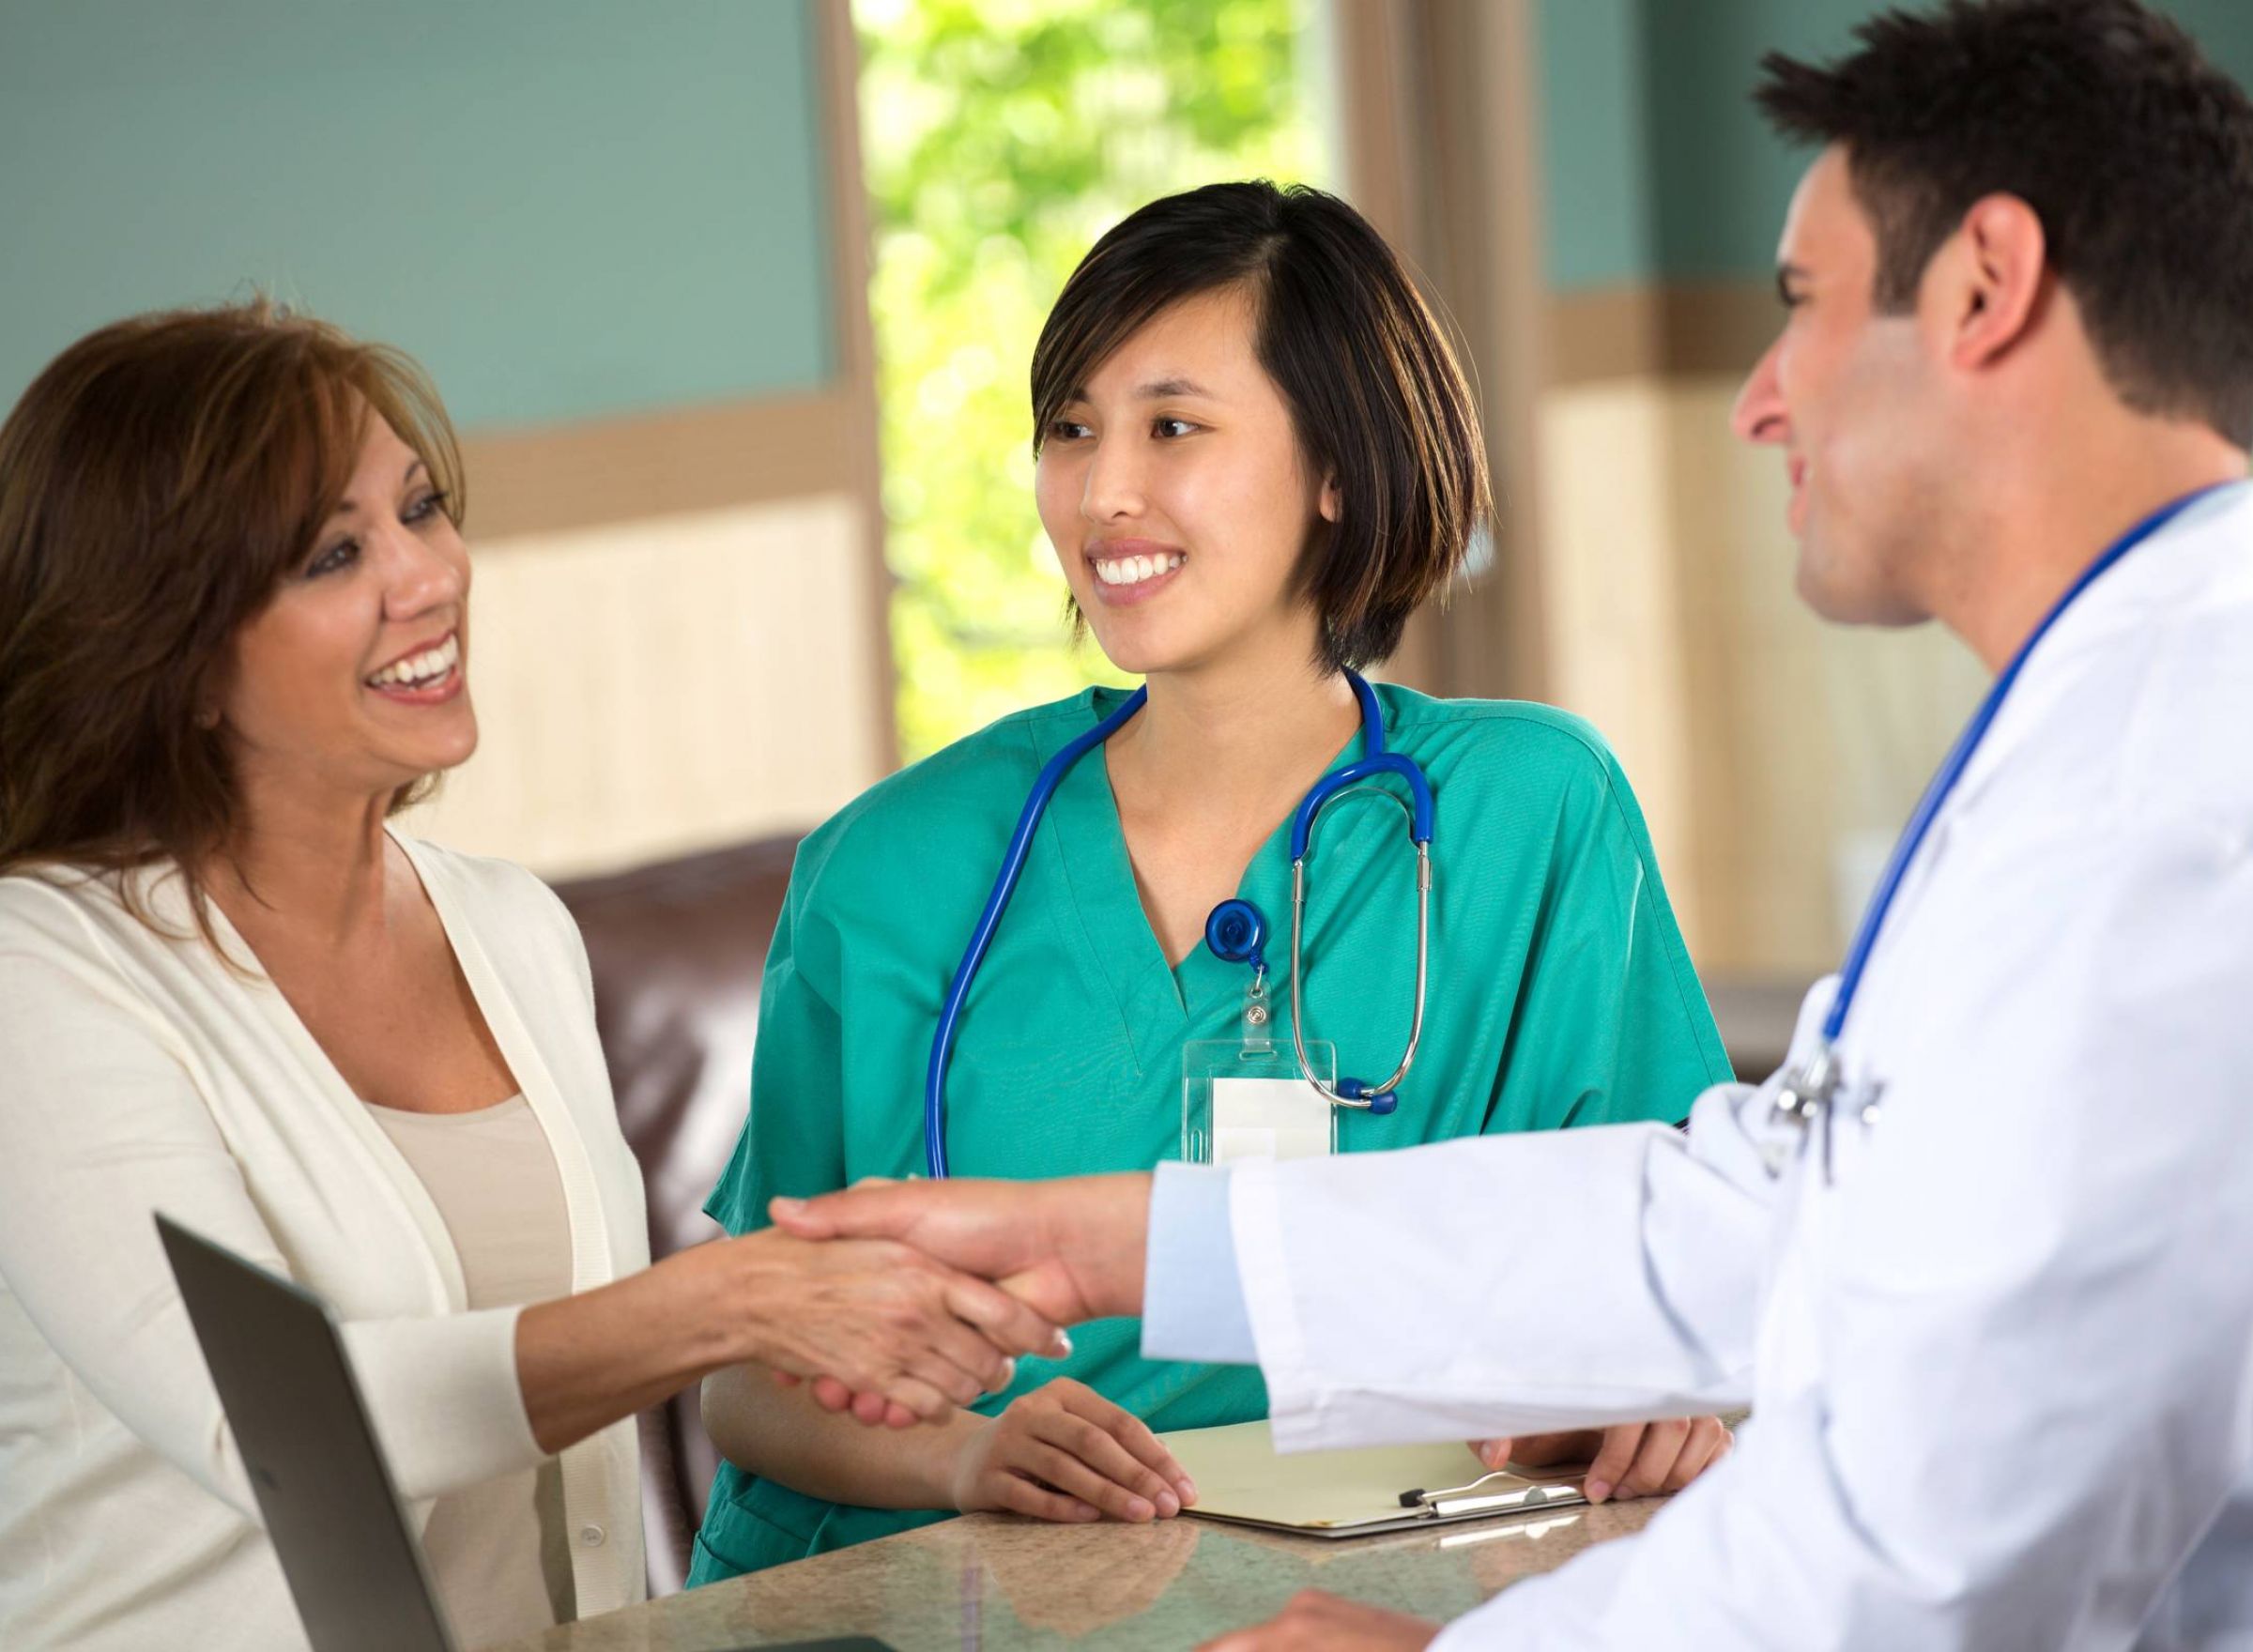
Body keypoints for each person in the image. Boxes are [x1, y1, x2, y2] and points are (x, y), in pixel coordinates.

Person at [767, 1, 2253, 1646]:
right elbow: (1753, 1211)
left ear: (1985, 286)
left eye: (1804, 306)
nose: (1759, 398)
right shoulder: (2121, 726)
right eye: (1073, 425)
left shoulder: (2164, 798)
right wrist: (1124, 1240)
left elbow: (1941, 1544)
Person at [692, 181, 1736, 1582]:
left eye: (1172, 426)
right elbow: (741, 1379)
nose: (1102, 489)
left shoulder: (1528, 815)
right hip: (921, 1593)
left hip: (1353, 1590)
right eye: (1071, 428)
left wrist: (1655, 1384)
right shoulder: (892, 863)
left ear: (1338, 466)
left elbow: (1683, 1273)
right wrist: (960, 1455)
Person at [0, 303, 1065, 1652]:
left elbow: (589, 1447)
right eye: (335, 552)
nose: (428, 574)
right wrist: (721, 1300)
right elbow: (270, 1427)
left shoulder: (511, 930)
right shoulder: (41, 973)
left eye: (423, 508)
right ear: (178, 652)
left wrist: (949, 1434)